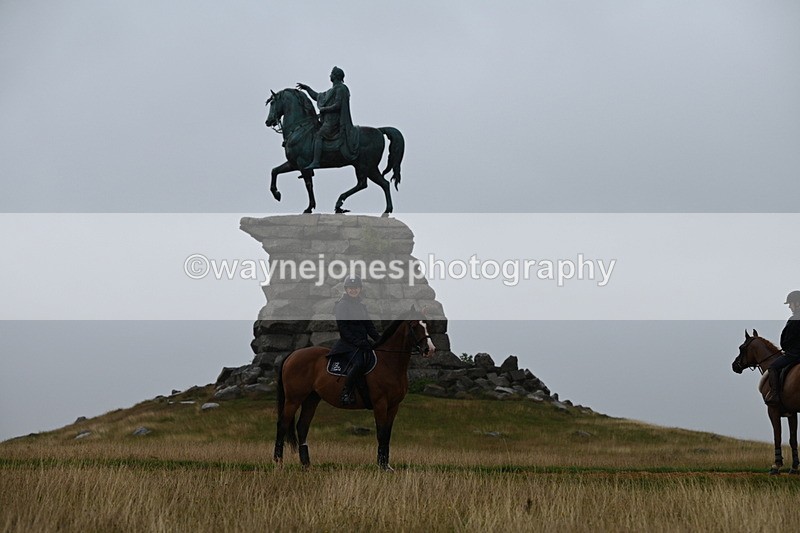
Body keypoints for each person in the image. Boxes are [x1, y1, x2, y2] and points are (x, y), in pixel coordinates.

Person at [327, 276, 380, 406]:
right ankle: (346, 392)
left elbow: (369, 327)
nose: (353, 290)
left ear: (360, 289)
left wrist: (380, 340)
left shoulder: (362, 306)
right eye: (351, 288)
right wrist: (358, 342)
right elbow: (344, 330)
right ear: (346, 289)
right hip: (348, 344)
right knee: (359, 363)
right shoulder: (342, 305)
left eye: (356, 288)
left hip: (362, 344)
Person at [296, 66, 359, 170]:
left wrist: (325, 109)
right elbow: (317, 96)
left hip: (334, 122)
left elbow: (338, 105)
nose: (330, 75)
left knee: (319, 135)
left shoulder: (341, 88)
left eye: (331, 74)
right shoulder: (331, 90)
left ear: (335, 76)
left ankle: (316, 161)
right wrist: (307, 88)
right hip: (327, 121)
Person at [765, 290, 800, 405]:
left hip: (794, 354)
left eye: (791, 303)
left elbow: (787, 339)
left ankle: (775, 395)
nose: (790, 306)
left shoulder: (794, 319)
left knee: (773, 367)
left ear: (798, 303)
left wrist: (786, 347)